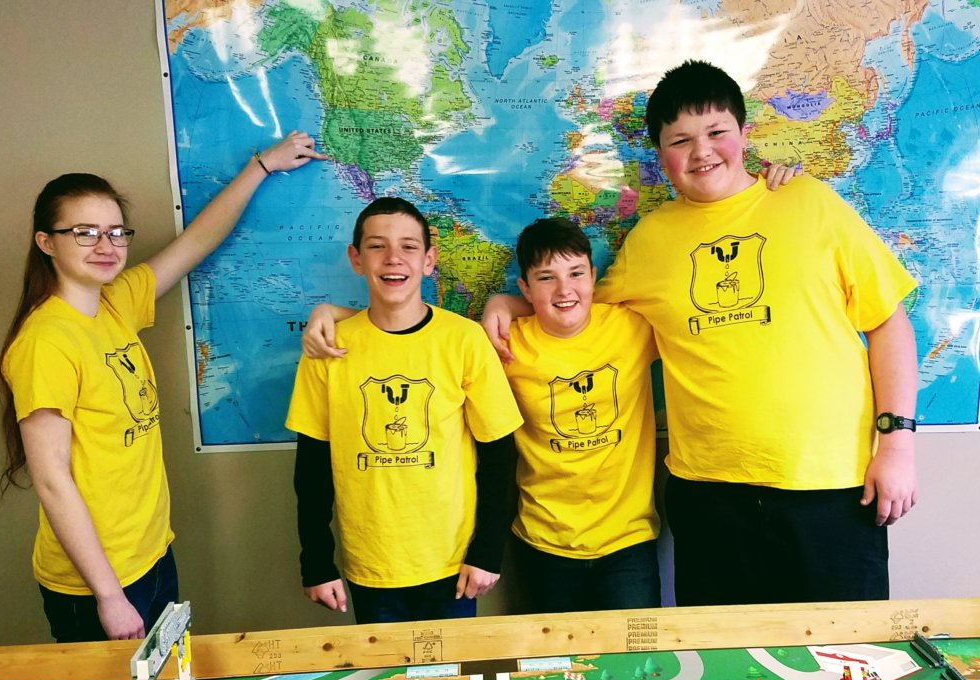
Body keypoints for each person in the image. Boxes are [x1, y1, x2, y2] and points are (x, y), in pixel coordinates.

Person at [483, 60, 919, 607]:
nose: (702, 152)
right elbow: (580, 310)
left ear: (744, 134)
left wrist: (897, 445)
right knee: (719, 656)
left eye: (716, 132)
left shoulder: (810, 202)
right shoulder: (651, 240)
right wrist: (509, 301)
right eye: (680, 140)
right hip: (709, 498)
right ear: (660, 154)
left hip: (831, 488)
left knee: (842, 651)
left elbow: (887, 322)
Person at [0, 131, 327, 642]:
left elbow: (196, 243)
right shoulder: (46, 341)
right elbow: (52, 479)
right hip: (97, 582)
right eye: (84, 233)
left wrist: (262, 167)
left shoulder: (115, 303)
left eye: (116, 232)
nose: (106, 246)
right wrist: (109, 596)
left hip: (149, 554)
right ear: (47, 242)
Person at [285, 197, 522, 624]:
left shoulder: (465, 341)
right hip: (371, 562)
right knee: (382, 667)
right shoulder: (328, 349)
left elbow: (499, 456)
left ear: (429, 260)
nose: (393, 258)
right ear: (356, 259)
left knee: (454, 668)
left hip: (453, 563)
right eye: (377, 246)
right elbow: (312, 468)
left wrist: (487, 552)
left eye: (409, 247)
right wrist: (316, 562)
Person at [504, 217, 660, 612]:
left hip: (628, 542)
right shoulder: (505, 345)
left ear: (593, 275)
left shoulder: (633, 326)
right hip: (544, 542)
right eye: (546, 278)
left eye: (575, 273)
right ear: (525, 288)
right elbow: (429, 342)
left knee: (639, 652)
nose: (564, 290)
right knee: (553, 653)